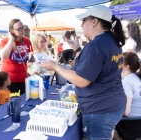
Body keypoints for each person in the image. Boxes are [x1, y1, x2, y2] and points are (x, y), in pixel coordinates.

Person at [40, 5, 126, 139]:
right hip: (113, 104)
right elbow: (92, 69)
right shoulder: (111, 41)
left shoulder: (95, 46)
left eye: (84, 20)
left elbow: (81, 80)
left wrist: (55, 67)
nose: (81, 24)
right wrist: (78, 49)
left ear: (94, 22)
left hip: (100, 110)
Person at [0, 19, 33, 95]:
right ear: (12, 31)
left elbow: (30, 56)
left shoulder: (27, 41)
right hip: (9, 80)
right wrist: (11, 39)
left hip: (23, 78)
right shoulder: (5, 41)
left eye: (23, 28)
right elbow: (3, 56)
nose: (22, 30)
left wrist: (32, 59)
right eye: (19, 29)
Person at [115, 52, 141, 140]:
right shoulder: (137, 78)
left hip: (130, 125)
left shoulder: (127, 82)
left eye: (119, 63)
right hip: (137, 123)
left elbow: (126, 112)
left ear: (126, 66)